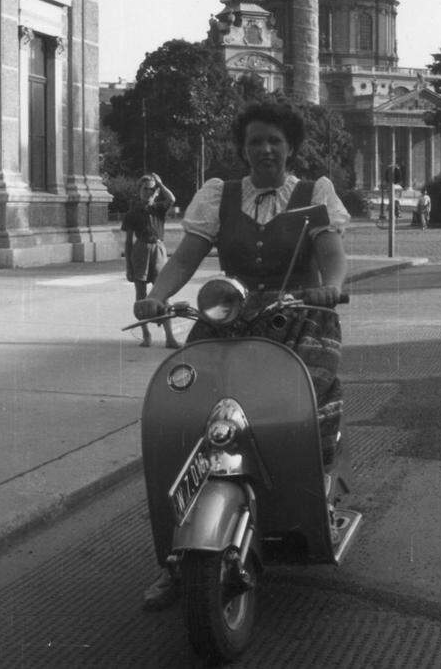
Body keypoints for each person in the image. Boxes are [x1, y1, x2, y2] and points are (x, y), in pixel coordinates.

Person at [134, 100, 351, 609]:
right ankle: (177, 558)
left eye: (275, 140)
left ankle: (308, 503)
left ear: (290, 146)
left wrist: (332, 287)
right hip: (229, 314)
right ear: (244, 148)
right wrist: (158, 296)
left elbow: (331, 253)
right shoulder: (220, 194)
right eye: (255, 141)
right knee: (186, 413)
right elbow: (186, 256)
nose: (265, 149)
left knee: (304, 408)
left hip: (301, 315)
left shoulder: (313, 193)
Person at [122, 173, 179, 349]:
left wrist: (160, 185)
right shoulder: (132, 213)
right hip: (140, 250)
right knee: (141, 296)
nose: (148, 192)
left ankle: (169, 337)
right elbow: (128, 241)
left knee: (164, 293)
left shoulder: (159, 209)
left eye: (152, 189)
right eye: (145, 189)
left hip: (158, 250)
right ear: (139, 191)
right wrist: (129, 267)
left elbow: (172, 198)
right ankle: (146, 335)